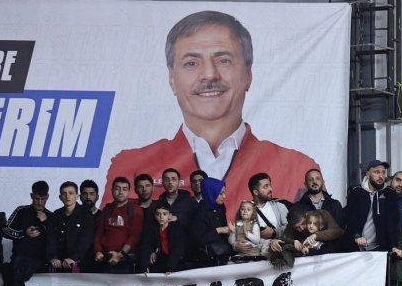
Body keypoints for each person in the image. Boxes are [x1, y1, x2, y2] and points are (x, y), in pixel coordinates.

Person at [103, 11, 320, 212]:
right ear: (171, 79)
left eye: (223, 60)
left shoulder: (297, 168)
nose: (209, 74)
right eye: (191, 63)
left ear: (248, 73)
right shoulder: (132, 166)